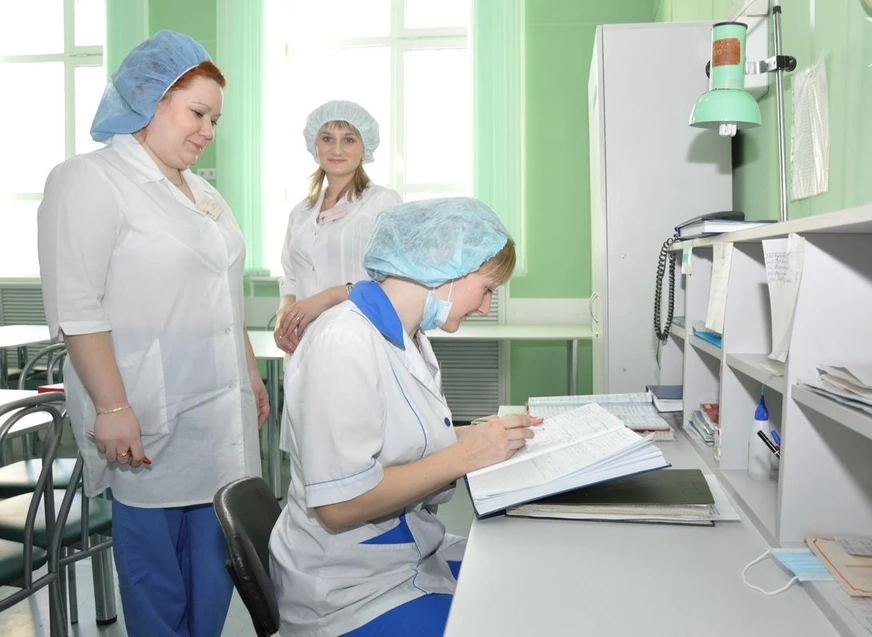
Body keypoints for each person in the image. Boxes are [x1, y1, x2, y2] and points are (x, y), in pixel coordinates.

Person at [37, 30, 269, 637]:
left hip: (219, 417)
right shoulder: (89, 179)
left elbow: (223, 294)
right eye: (198, 113)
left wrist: (248, 371)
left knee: (217, 572)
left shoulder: (203, 192)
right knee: (157, 581)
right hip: (146, 417)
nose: (208, 131)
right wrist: (112, 407)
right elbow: (77, 308)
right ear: (151, 99)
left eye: (215, 120)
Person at [269, 197, 541, 636]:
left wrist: (488, 437)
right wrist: (465, 455)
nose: (485, 306)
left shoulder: (409, 337)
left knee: (524, 585)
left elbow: (410, 442)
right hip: (347, 586)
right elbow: (338, 505)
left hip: (409, 548)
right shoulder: (344, 341)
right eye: (487, 289)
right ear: (447, 266)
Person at [273, 100, 402, 355]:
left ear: (365, 148)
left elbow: (396, 280)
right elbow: (291, 279)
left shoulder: (383, 202)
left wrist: (328, 297)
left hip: (361, 341)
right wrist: (283, 317)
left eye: (349, 140)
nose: (337, 149)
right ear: (315, 145)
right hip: (304, 344)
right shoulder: (300, 212)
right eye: (327, 139)